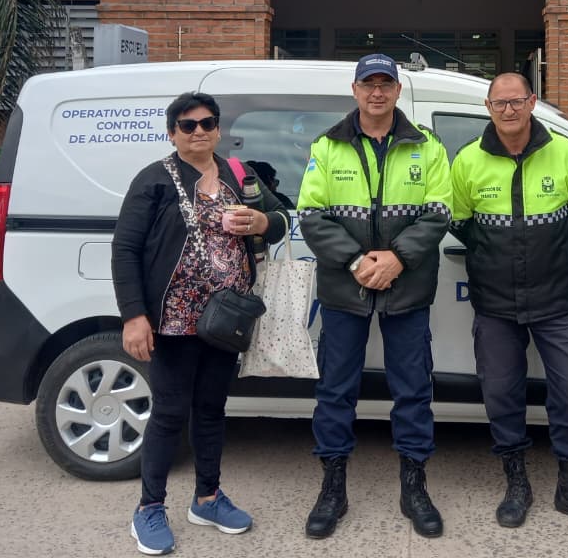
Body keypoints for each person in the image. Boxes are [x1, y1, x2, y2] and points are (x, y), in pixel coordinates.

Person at [112, 92, 290, 556]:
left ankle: (207, 498)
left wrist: (259, 222)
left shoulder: (239, 174)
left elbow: (281, 220)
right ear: (172, 133)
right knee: (170, 413)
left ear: (218, 128)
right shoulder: (153, 179)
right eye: (187, 125)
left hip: (225, 319)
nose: (199, 131)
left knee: (211, 410)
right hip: (172, 319)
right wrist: (134, 315)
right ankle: (149, 508)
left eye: (207, 123)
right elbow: (125, 250)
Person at [448, 72, 568, 532]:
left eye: (516, 101)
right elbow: (460, 222)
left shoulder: (565, 153)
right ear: (488, 107)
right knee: (501, 395)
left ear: (532, 102)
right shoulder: (467, 160)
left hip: (555, 300)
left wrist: (552, 252)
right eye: (499, 103)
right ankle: (516, 482)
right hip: (495, 303)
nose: (508, 110)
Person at [297, 53, 453, 539]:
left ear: (398, 91)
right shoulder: (327, 146)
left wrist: (395, 259)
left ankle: (414, 485)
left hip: (406, 289)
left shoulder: (426, 146)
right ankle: (332, 488)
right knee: (335, 392)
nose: (377, 92)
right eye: (369, 84)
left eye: (386, 84)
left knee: (413, 391)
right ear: (355, 89)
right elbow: (310, 214)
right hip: (345, 289)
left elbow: (440, 211)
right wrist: (357, 262)